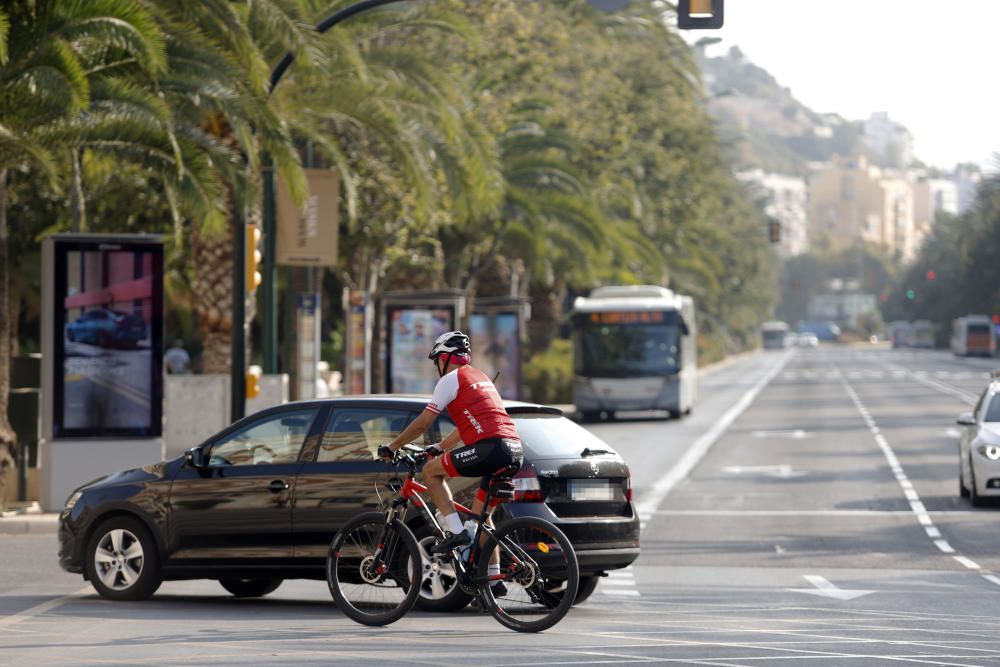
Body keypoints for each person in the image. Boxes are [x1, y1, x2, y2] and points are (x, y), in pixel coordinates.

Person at [380, 331, 523, 592]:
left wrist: (393, 446)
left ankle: (456, 533)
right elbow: (464, 427)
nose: (437, 367)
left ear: (445, 358)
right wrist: (439, 447)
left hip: (490, 448)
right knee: (483, 519)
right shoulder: (480, 378)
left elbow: (423, 422)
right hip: (513, 449)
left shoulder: (451, 379)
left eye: (437, 361)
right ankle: (494, 580)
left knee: (431, 472)